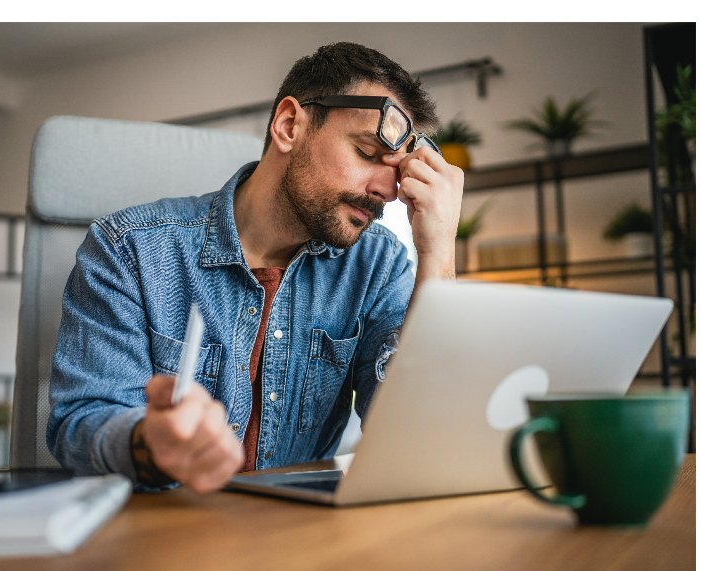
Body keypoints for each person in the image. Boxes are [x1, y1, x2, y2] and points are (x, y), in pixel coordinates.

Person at [47, 41, 464, 494]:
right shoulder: (129, 250)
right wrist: (149, 443)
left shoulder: (376, 264)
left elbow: (420, 434)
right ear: (289, 125)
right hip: (163, 540)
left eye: (397, 172)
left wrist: (439, 251)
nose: (386, 190)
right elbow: (80, 423)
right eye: (366, 152)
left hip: (300, 541)